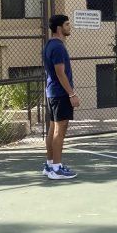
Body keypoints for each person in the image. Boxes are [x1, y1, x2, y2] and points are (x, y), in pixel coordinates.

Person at [43, 14, 79, 180]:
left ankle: (50, 165)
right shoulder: (58, 47)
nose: (69, 27)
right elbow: (60, 73)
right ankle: (56, 169)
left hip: (52, 93)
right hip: (60, 94)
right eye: (66, 24)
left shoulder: (49, 45)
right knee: (60, 130)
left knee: (53, 129)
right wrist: (71, 94)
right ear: (59, 28)